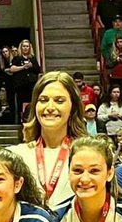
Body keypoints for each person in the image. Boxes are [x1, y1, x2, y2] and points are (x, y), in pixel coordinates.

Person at [8, 72, 88, 210]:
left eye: (59, 101)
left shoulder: (88, 156)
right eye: (43, 100)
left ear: (73, 107)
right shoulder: (14, 156)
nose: (50, 107)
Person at [4, 40, 42, 124]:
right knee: (21, 105)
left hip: (32, 86)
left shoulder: (33, 59)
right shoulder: (17, 59)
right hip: (21, 86)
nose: (25, 48)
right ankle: (21, 121)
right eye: (24, 46)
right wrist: (23, 67)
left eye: (27, 46)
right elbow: (12, 69)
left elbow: (38, 70)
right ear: (21, 48)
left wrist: (31, 66)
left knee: (32, 103)